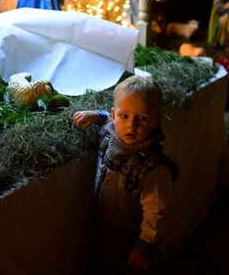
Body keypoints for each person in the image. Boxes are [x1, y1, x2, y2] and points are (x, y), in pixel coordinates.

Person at [73, 75, 179, 274]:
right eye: (124, 116)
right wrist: (96, 115)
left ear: (156, 122)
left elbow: (155, 213)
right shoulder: (111, 133)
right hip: (104, 228)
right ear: (114, 115)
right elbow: (110, 120)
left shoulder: (154, 169)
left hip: (130, 242)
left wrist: (143, 246)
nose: (131, 126)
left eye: (142, 119)